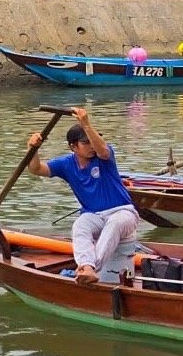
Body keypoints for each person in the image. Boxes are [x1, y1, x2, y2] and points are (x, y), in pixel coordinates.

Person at [25, 107, 139, 285]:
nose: (92, 145)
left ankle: (90, 269)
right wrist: (33, 149)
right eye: (86, 143)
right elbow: (37, 169)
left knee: (115, 223)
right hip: (93, 215)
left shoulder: (103, 155)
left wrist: (87, 125)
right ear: (73, 147)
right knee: (80, 225)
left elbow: (102, 150)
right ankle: (86, 265)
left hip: (123, 212)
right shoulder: (66, 164)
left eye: (93, 140)